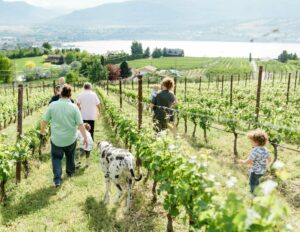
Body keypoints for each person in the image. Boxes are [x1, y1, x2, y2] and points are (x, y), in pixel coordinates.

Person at [40, 84, 88, 187]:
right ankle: (70, 173)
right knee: (70, 156)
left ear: (60, 94)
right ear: (70, 95)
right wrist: (85, 137)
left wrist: (42, 131)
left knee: (56, 158)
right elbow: (80, 124)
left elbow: (44, 121)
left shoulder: (52, 105)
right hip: (70, 139)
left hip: (56, 139)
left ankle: (57, 179)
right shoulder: (74, 107)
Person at [239, 129, 271, 194]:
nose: (250, 143)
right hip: (262, 171)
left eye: (251, 141)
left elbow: (250, 161)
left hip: (255, 171)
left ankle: (253, 194)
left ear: (256, 142)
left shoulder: (255, 150)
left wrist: (243, 161)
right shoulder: (266, 149)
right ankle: (258, 190)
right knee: (257, 181)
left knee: (252, 182)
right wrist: (264, 164)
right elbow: (269, 159)